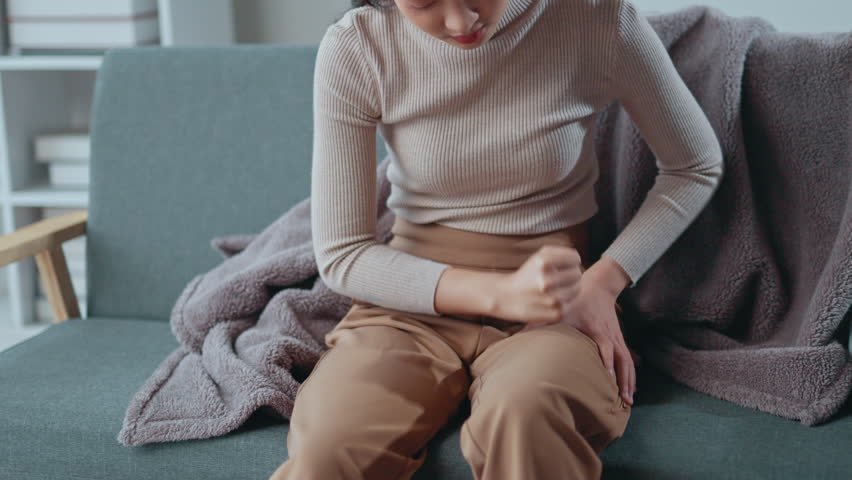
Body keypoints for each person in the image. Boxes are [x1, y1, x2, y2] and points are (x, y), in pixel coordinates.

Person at [270, 0, 724, 478]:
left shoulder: (597, 19)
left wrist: (602, 284)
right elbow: (344, 254)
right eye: (424, 3)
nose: (460, 22)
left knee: (529, 412)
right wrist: (504, 294)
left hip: (557, 304)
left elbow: (694, 165)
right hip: (410, 305)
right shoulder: (358, 45)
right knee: (331, 445)